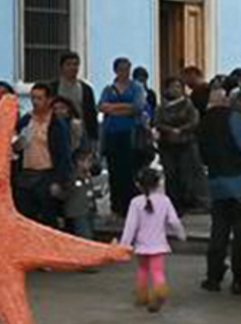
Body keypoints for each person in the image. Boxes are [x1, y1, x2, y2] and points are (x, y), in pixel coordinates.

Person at [119, 168, 185, 313]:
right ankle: (159, 293)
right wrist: (181, 234)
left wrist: (123, 245)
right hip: (159, 245)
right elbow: (174, 221)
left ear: (138, 185)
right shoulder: (165, 201)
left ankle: (142, 296)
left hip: (141, 246)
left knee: (142, 269)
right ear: (159, 183)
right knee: (157, 271)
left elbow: (130, 226)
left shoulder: (135, 202)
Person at [197, 85, 241, 294]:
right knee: (239, 234)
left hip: (216, 182)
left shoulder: (202, 122)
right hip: (238, 182)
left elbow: (201, 154)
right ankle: (239, 280)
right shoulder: (233, 118)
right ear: (225, 101)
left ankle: (213, 277)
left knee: (219, 232)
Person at [13, 82, 71, 227]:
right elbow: (15, 143)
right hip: (26, 174)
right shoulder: (26, 121)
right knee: (25, 217)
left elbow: (63, 154)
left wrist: (60, 181)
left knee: (47, 218)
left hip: (46, 174)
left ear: (49, 100)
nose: (35, 102)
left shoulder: (56, 124)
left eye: (39, 98)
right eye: (33, 98)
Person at [100, 57, 147, 216]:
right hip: (111, 132)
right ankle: (116, 204)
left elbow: (137, 107)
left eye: (127, 68)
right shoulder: (109, 89)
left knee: (128, 169)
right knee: (114, 169)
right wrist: (123, 108)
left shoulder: (137, 87)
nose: (124, 72)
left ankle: (129, 204)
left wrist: (114, 108)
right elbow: (102, 107)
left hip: (130, 132)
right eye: (121, 69)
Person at [155, 76, 208, 215]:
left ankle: (189, 202)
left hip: (186, 143)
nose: (176, 90)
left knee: (186, 174)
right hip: (167, 144)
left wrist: (181, 130)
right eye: (173, 87)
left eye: (178, 87)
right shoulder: (162, 107)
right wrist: (169, 130)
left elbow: (194, 121)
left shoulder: (188, 105)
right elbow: (157, 122)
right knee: (171, 175)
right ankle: (173, 204)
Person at [53, 51, 99, 150]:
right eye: (68, 64)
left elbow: (91, 113)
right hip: (59, 133)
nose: (73, 68)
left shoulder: (86, 89)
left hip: (81, 133)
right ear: (61, 67)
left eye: (75, 64)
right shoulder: (53, 87)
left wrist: (94, 138)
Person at [61, 147, 105, 241]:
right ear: (79, 162)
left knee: (89, 233)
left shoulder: (87, 176)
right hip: (77, 213)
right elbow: (67, 193)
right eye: (88, 161)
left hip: (88, 210)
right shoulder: (73, 177)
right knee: (84, 236)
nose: (91, 164)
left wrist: (96, 193)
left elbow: (88, 191)